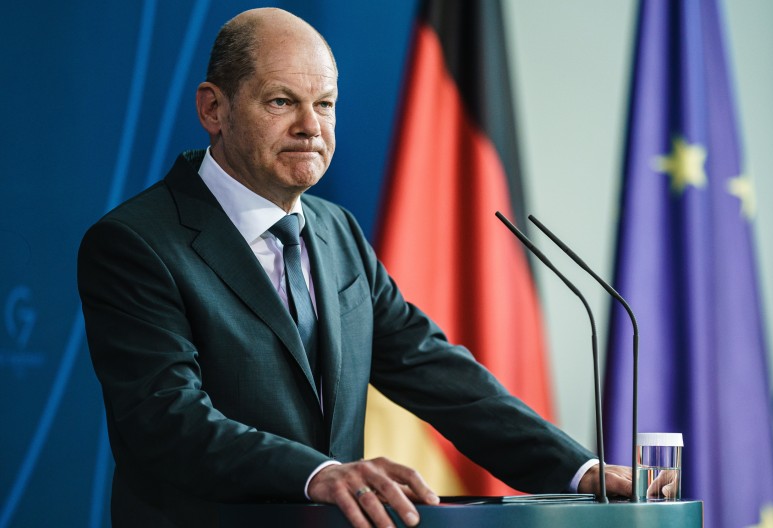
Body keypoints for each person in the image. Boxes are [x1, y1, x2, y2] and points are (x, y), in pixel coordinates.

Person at [77, 8, 632, 528]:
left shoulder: (335, 229)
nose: (310, 127)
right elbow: (167, 419)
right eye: (281, 102)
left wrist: (580, 471)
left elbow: (434, 371)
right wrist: (317, 474)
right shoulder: (137, 242)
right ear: (213, 110)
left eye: (324, 104)